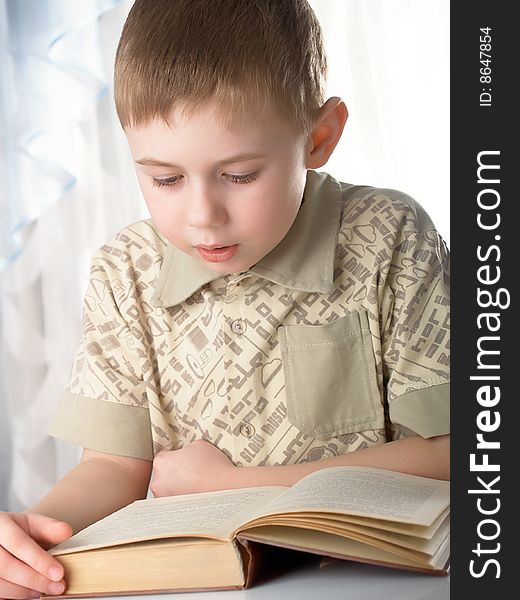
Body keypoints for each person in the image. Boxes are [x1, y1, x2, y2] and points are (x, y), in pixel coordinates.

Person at [0, 0, 450, 598]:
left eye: (239, 176)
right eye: (164, 179)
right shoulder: (124, 270)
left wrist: (241, 483)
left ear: (319, 138)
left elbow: (456, 453)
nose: (201, 217)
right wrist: (36, 538)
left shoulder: (389, 236)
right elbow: (112, 467)